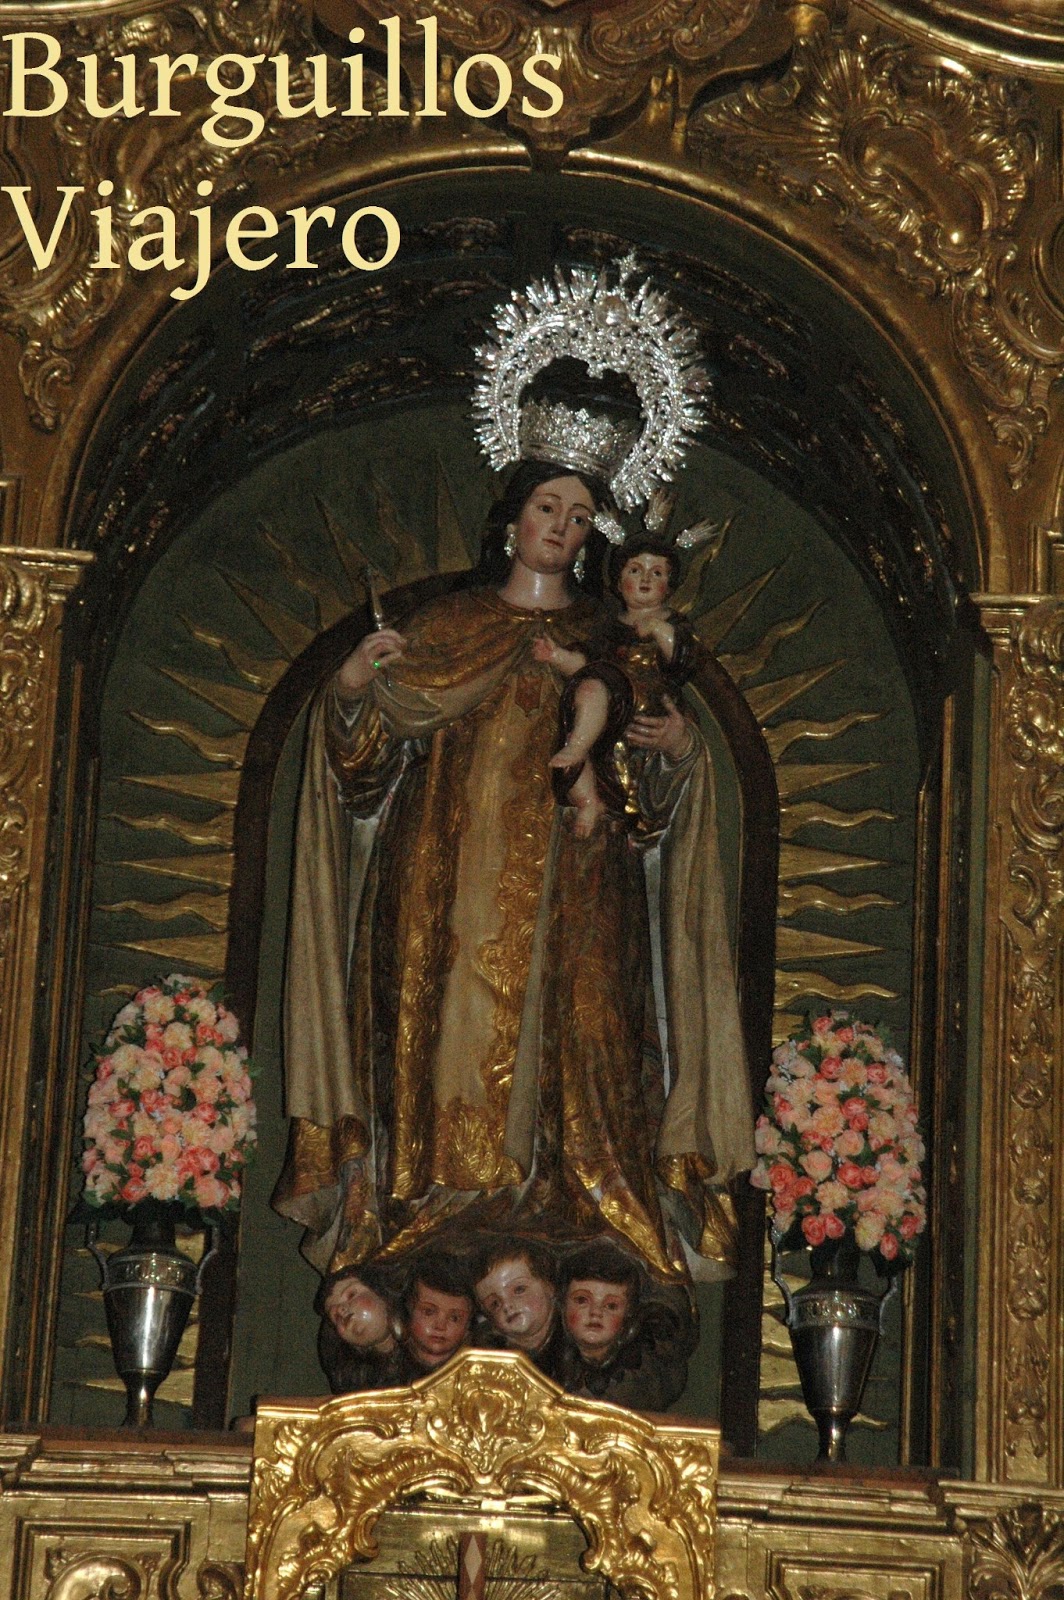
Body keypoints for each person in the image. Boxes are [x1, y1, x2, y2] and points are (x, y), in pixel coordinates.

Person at [533, 535, 698, 833]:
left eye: (657, 573)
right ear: (619, 583)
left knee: (596, 700)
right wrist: (555, 656)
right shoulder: (608, 629)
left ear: (670, 585)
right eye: (635, 570)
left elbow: (683, 657)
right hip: (604, 712)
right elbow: (585, 663)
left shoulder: (672, 624)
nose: (645, 579)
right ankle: (588, 800)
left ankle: (616, 802)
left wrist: (658, 628)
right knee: (577, 736)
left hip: (643, 708)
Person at [474, 1241, 563, 1375]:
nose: (507, 1305)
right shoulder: (488, 1353)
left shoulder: (576, 1337)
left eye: (519, 1290)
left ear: (549, 1286)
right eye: (495, 1303)